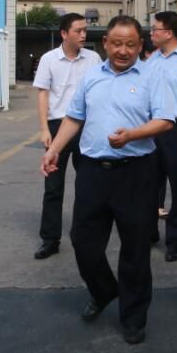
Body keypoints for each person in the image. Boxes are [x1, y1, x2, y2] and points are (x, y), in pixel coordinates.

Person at [42, 16, 174, 344]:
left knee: (135, 248)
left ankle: (133, 317)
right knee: (83, 241)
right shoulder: (91, 76)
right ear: (105, 44)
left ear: (140, 46)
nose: (123, 50)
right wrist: (54, 149)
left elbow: (165, 121)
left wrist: (132, 135)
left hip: (136, 173)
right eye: (116, 43)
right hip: (92, 172)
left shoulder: (151, 76)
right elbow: (74, 117)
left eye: (130, 44)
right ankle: (103, 291)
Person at [31, 13, 101, 260]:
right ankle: (50, 239)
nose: (83, 34)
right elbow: (43, 95)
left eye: (85, 30)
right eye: (78, 30)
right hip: (57, 127)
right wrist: (44, 129)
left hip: (86, 127)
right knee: (53, 187)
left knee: (88, 185)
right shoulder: (49, 59)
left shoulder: (93, 58)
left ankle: (85, 234)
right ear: (64, 34)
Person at [143, 11, 177, 262]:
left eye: (155, 29)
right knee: (150, 185)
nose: (151, 33)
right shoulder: (150, 61)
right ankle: (150, 232)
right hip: (151, 129)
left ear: (169, 33)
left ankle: (174, 241)